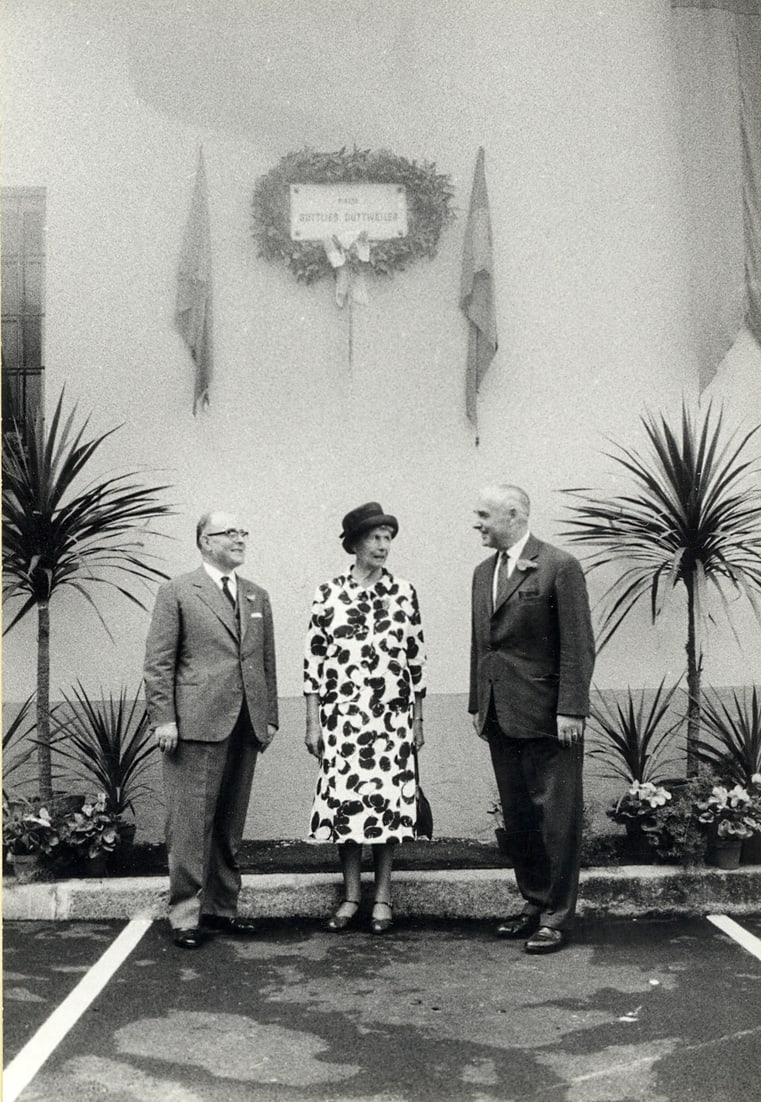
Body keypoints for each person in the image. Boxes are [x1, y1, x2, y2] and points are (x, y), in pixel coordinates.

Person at [144, 512, 279, 949]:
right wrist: (164, 717)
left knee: (229, 823)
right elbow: (159, 662)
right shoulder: (178, 592)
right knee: (189, 823)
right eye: (229, 533)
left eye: (244, 531)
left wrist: (269, 714)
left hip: (245, 723)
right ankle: (186, 914)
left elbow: (265, 662)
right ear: (205, 541)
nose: (240, 539)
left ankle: (222, 909)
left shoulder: (257, 595)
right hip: (194, 725)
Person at [470, 484, 595, 953]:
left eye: (484, 514)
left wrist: (571, 708)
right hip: (500, 715)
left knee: (556, 820)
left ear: (515, 514)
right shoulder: (484, 573)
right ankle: (533, 903)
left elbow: (578, 644)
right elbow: (481, 645)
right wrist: (477, 704)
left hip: (549, 717)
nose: (477, 522)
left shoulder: (559, 566)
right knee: (520, 817)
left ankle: (557, 917)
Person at [304, 502, 426, 935]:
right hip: (343, 720)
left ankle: (383, 899)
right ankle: (351, 895)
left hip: (391, 719)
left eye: (387, 537)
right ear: (355, 543)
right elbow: (313, 663)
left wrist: (418, 720)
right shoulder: (327, 594)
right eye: (374, 538)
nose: (382, 545)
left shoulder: (404, 593)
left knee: (387, 808)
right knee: (347, 808)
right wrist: (313, 722)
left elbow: (416, 659)